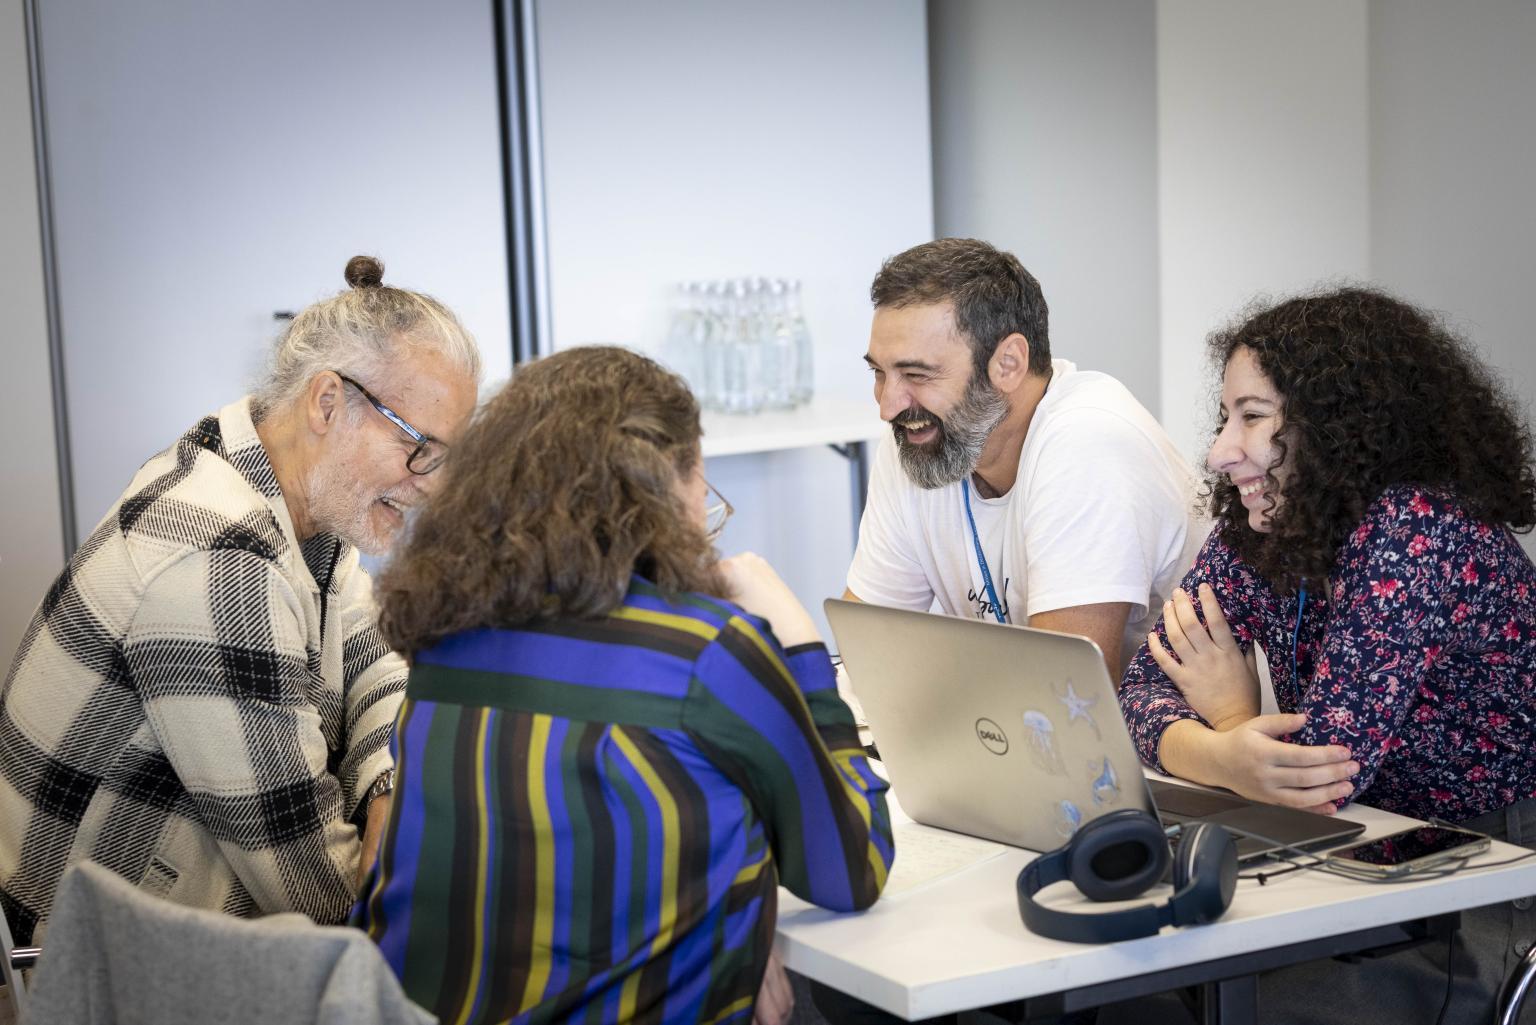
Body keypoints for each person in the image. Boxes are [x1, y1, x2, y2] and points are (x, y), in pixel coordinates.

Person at [357, 345, 892, 1025]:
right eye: (700, 475)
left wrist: (741, 930)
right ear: (663, 488)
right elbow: (852, 869)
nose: (706, 503)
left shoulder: (446, 643)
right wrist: (803, 643)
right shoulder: (707, 653)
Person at [0, 256, 480, 946]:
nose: (432, 483)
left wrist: (384, 789)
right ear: (326, 403)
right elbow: (319, 889)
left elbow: (378, 660)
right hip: (88, 961)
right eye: (420, 447)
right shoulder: (216, 560)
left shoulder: (281, 485)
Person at [1117, 287, 1536, 1023]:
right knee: (1143, 983)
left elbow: (1317, 776)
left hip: (1485, 874)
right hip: (1367, 845)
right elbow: (1140, 688)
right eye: (1226, 417)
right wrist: (1230, 750)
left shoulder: (1417, 527)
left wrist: (1230, 713)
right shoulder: (1265, 518)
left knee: (1222, 1001)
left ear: (1336, 426)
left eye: (1252, 416)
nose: (1220, 450)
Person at [845, 238, 1203, 677]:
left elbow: (1067, 696)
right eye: (879, 374)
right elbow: (868, 655)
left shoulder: (1087, 439)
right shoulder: (920, 437)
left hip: (1181, 738)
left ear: (1009, 363)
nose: (888, 407)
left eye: (917, 374)